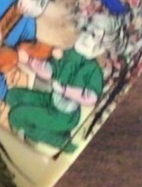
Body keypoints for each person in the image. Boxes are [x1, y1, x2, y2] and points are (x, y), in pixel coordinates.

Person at [6, 13, 111, 151]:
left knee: (16, 115)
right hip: (51, 100)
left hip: (65, 116)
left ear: (101, 45)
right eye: (89, 30)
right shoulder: (70, 53)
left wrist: (65, 90)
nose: (88, 36)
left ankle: (59, 141)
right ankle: (45, 128)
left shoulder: (93, 69)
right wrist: (30, 61)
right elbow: (51, 70)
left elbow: (91, 97)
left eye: (95, 35)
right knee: (13, 95)